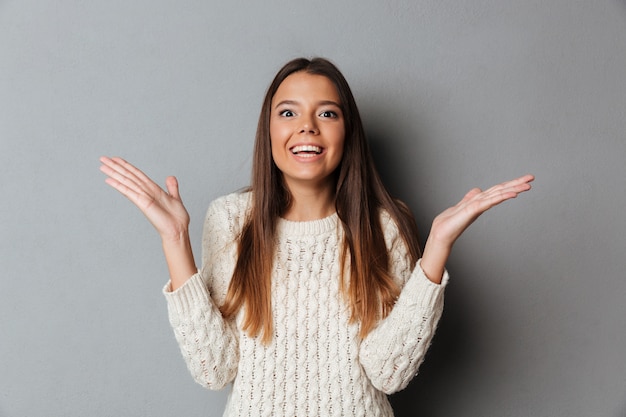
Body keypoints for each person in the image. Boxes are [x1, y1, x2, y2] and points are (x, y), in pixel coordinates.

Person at [99, 57, 533, 417]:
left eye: (327, 113)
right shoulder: (231, 220)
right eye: (288, 112)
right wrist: (175, 240)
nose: (307, 127)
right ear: (268, 130)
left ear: (348, 133)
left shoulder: (383, 227)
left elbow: (389, 374)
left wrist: (435, 251)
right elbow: (215, 368)